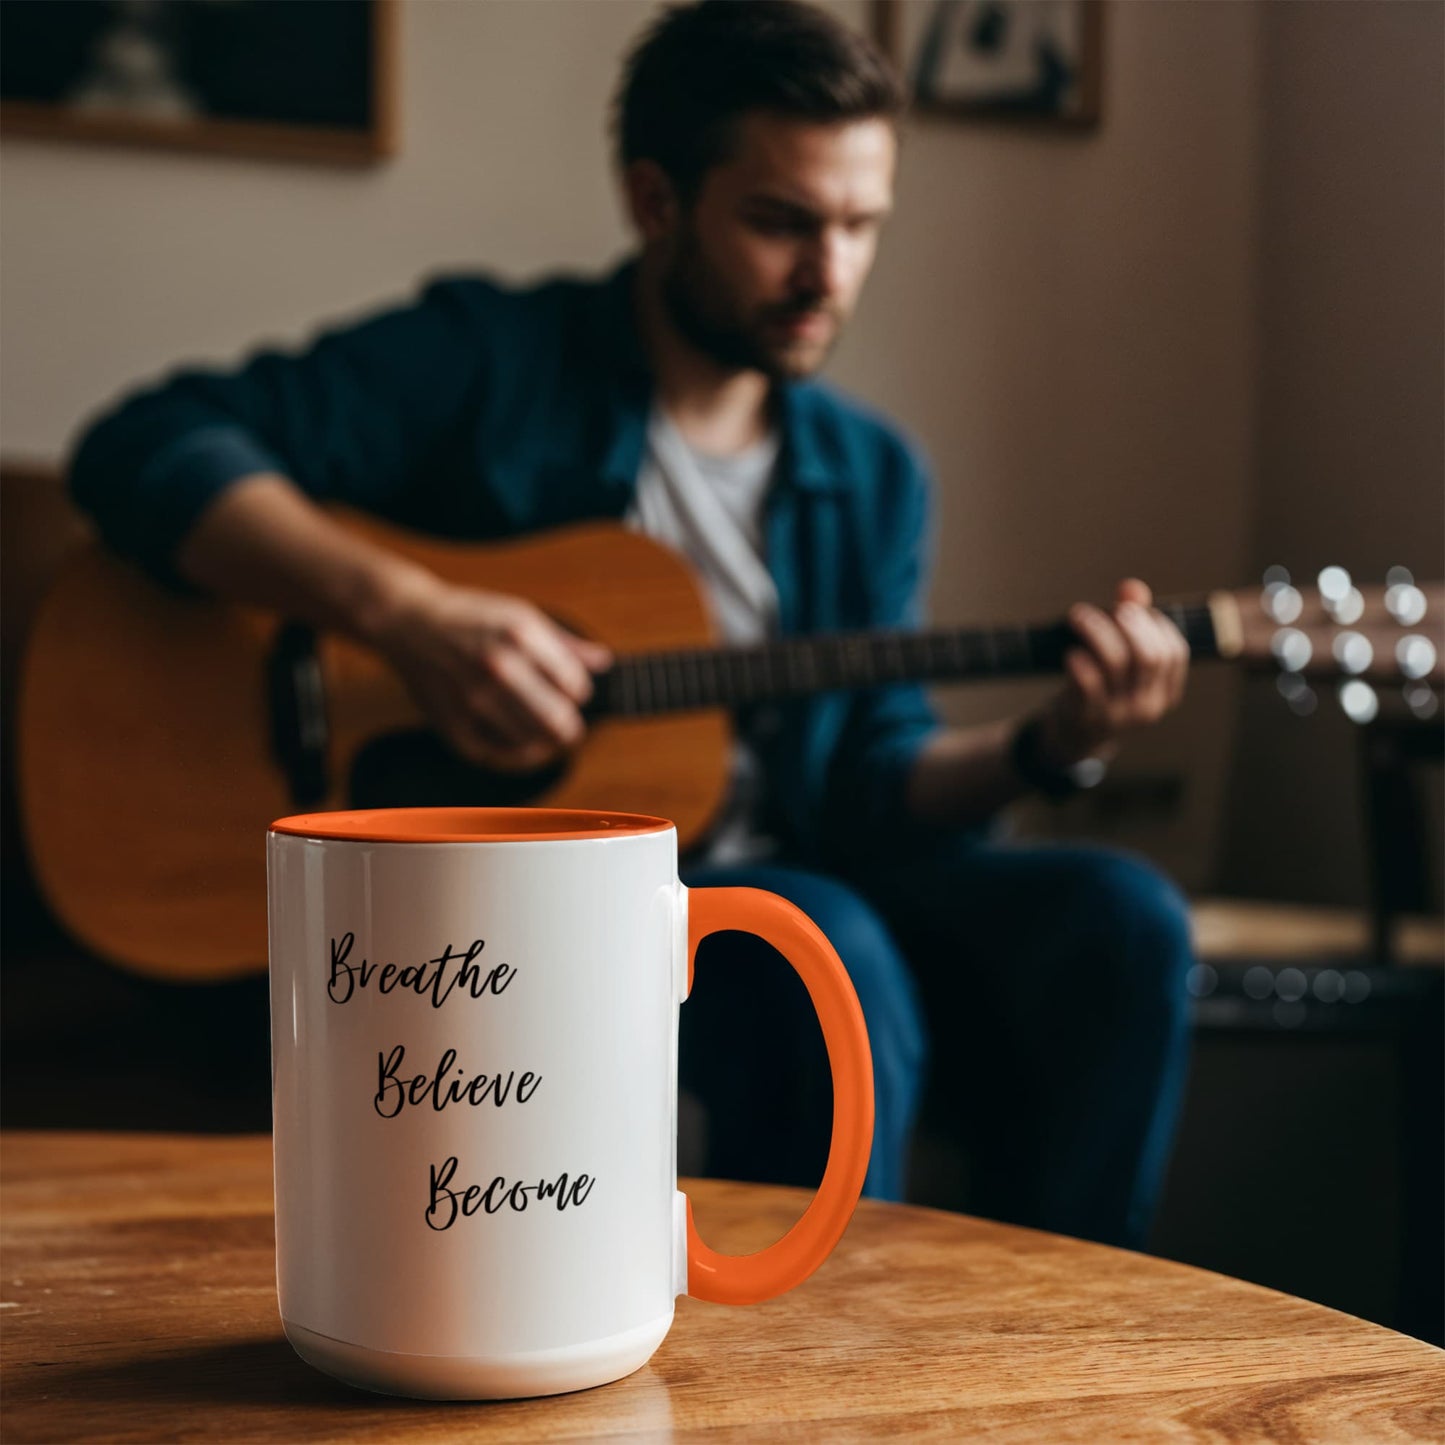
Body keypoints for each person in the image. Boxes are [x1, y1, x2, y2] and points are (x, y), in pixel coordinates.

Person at [70, 0, 1194, 1250]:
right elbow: (146, 442)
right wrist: (410, 612)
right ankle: (799, 1364)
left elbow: (876, 773)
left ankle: (1074, 1333)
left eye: (860, 225)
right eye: (781, 223)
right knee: (820, 935)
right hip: (549, 915)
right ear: (656, 201)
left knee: (1123, 916)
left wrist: (1048, 743)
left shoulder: (873, 474)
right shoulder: (491, 361)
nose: (830, 274)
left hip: (806, 883)